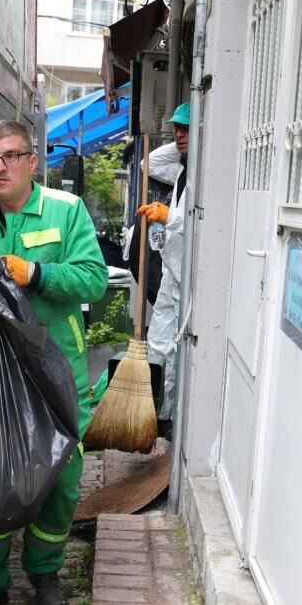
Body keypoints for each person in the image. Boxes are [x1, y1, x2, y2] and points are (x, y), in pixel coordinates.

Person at [0, 119, 108, 605]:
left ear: (33, 162)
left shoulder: (66, 210)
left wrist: (35, 273)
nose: (0, 167)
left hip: (58, 373)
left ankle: (44, 574)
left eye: (11, 156)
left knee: (61, 479)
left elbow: (93, 280)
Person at [136, 102, 190, 436]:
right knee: (158, 341)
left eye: (186, 129)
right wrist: (184, 145)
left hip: (189, 275)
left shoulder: (207, 173)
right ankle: (157, 414)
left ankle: (172, 418)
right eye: (176, 129)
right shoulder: (182, 171)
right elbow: (148, 163)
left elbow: (201, 220)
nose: (179, 135)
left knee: (179, 346)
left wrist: (169, 215)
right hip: (172, 267)